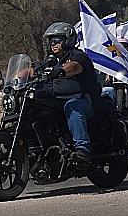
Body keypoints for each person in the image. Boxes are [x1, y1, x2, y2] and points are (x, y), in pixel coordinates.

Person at [43, 22, 100, 164]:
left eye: (56, 40)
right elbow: (33, 69)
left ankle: (82, 149)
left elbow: (74, 67)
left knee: (73, 106)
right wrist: (17, 77)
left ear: (68, 40)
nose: (53, 44)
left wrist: (61, 70)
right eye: (51, 41)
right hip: (57, 102)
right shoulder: (50, 61)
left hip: (84, 101)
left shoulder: (79, 56)